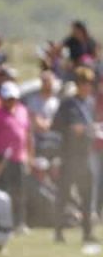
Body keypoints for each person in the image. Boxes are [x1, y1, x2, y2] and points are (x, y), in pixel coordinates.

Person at [52, 66, 97, 245]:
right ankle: (58, 232)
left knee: (87, 195)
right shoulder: (68, 104)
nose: (86, 86)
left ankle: (87, 232)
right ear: (77, 84)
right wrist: (72, 129)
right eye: (83, 82)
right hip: (69, 155)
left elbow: (89, 125)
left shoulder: (90, 103)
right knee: (63, 195)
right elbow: (58, 125)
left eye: (88, 83)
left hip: (85, 155)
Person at [0, 80, 32, 233]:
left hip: (19, 158)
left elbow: (28, 135)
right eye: (7, 99)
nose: (10, 101)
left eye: (12, 98)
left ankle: (20, 223)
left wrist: (30, 156)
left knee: (20, 193)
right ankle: (3, 223)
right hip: (2, 158)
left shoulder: (23, 111)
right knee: (3, 194)